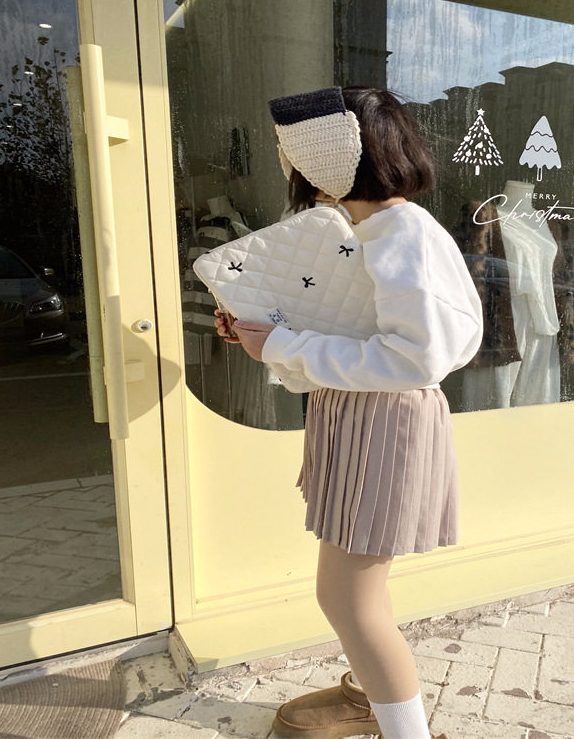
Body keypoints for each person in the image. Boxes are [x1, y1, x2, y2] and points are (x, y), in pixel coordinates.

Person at [214, 86, 482, 739]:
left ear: (320, 157)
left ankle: (402, 728)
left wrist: (282, 344)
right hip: (365, 417)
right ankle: (370, 695)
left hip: (383, 422)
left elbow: (416, 357)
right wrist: (265, 336)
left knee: (346, 599)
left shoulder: (400, 232)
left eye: (290, 151)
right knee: (362, 592)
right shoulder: (374, 228)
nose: (288, 165)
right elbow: (362, 332)